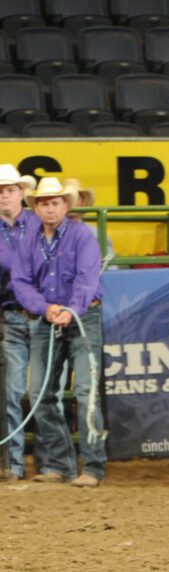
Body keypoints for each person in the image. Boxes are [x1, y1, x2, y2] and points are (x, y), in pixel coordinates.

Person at [10, 176, 106, 488]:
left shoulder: (82, 236)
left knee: (85, 392)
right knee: (39, 393)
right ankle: (58, 464)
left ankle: (92, 466)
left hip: (82, 318)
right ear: (35, 207)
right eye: (44, 204)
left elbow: (87, 278)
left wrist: (70, 309)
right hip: (47, 320)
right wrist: (44, 307)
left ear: (65, 205)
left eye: (54, 203)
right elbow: (21, 281)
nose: (49, 209)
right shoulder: (29, 240)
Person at [0, 164, 37, 480]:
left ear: (21, 193)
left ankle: (53, 462)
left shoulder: (41, 225)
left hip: (42, 317)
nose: (3, 196)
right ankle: (14, 463)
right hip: (10, 316)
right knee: (12, 392)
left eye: (8, 190)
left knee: (45, 392)